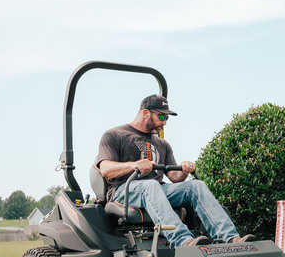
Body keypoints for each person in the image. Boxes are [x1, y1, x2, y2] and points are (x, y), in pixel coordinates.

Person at [95, 94, 253, 248]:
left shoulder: (162, 144)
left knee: (195, 185)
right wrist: (134, 165)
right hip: (124, 190)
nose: (165, 123)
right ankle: (183, 242)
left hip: (157, 189)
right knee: (150, 185)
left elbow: (175, 177)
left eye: (167, 118)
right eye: (162, 117)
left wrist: (184, 170)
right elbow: (106, 169)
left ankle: (230, 238)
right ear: (145, 113)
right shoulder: (115, 135)